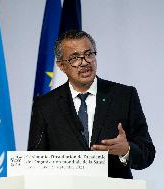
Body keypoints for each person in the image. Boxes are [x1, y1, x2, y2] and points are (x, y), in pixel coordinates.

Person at [28, 30, 155, 179]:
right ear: (61, 65)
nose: (84, 62)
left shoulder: (124, 96)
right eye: (75, 58)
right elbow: (35, 161)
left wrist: (126, 150)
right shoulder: (45, 105)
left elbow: (147, 153)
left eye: (89, 54)